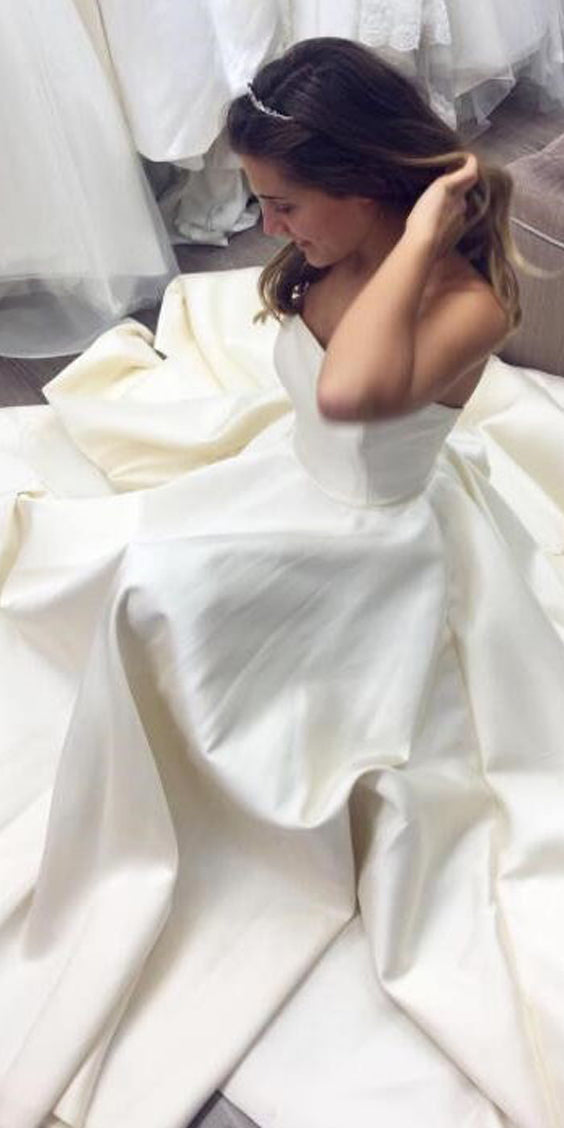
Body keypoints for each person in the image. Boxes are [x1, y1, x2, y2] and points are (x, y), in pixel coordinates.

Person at [1, 36, 564, 1128]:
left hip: (372, 547)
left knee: (157, 600)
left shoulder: (471, 301)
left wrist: (425, 229)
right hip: (291, 486)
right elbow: (319, 392)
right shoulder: (334, 258)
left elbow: (351, 395)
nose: (268, 228)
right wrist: (371, 233)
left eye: (288, 202)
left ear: (371, 185)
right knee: (137, 581)